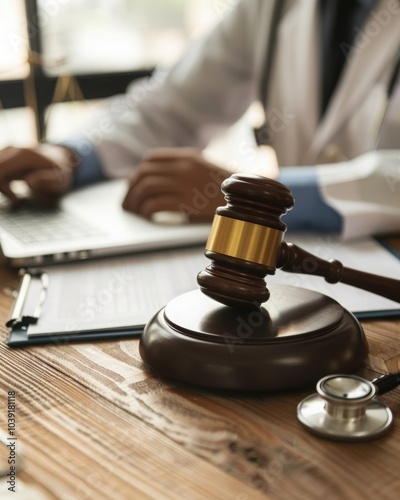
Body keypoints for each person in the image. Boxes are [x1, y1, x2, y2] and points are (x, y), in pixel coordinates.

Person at [0, 0, 399, 239]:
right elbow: (169, 107)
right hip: (293, 268)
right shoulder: (270, 7)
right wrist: (69, 156)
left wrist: (249, 198)